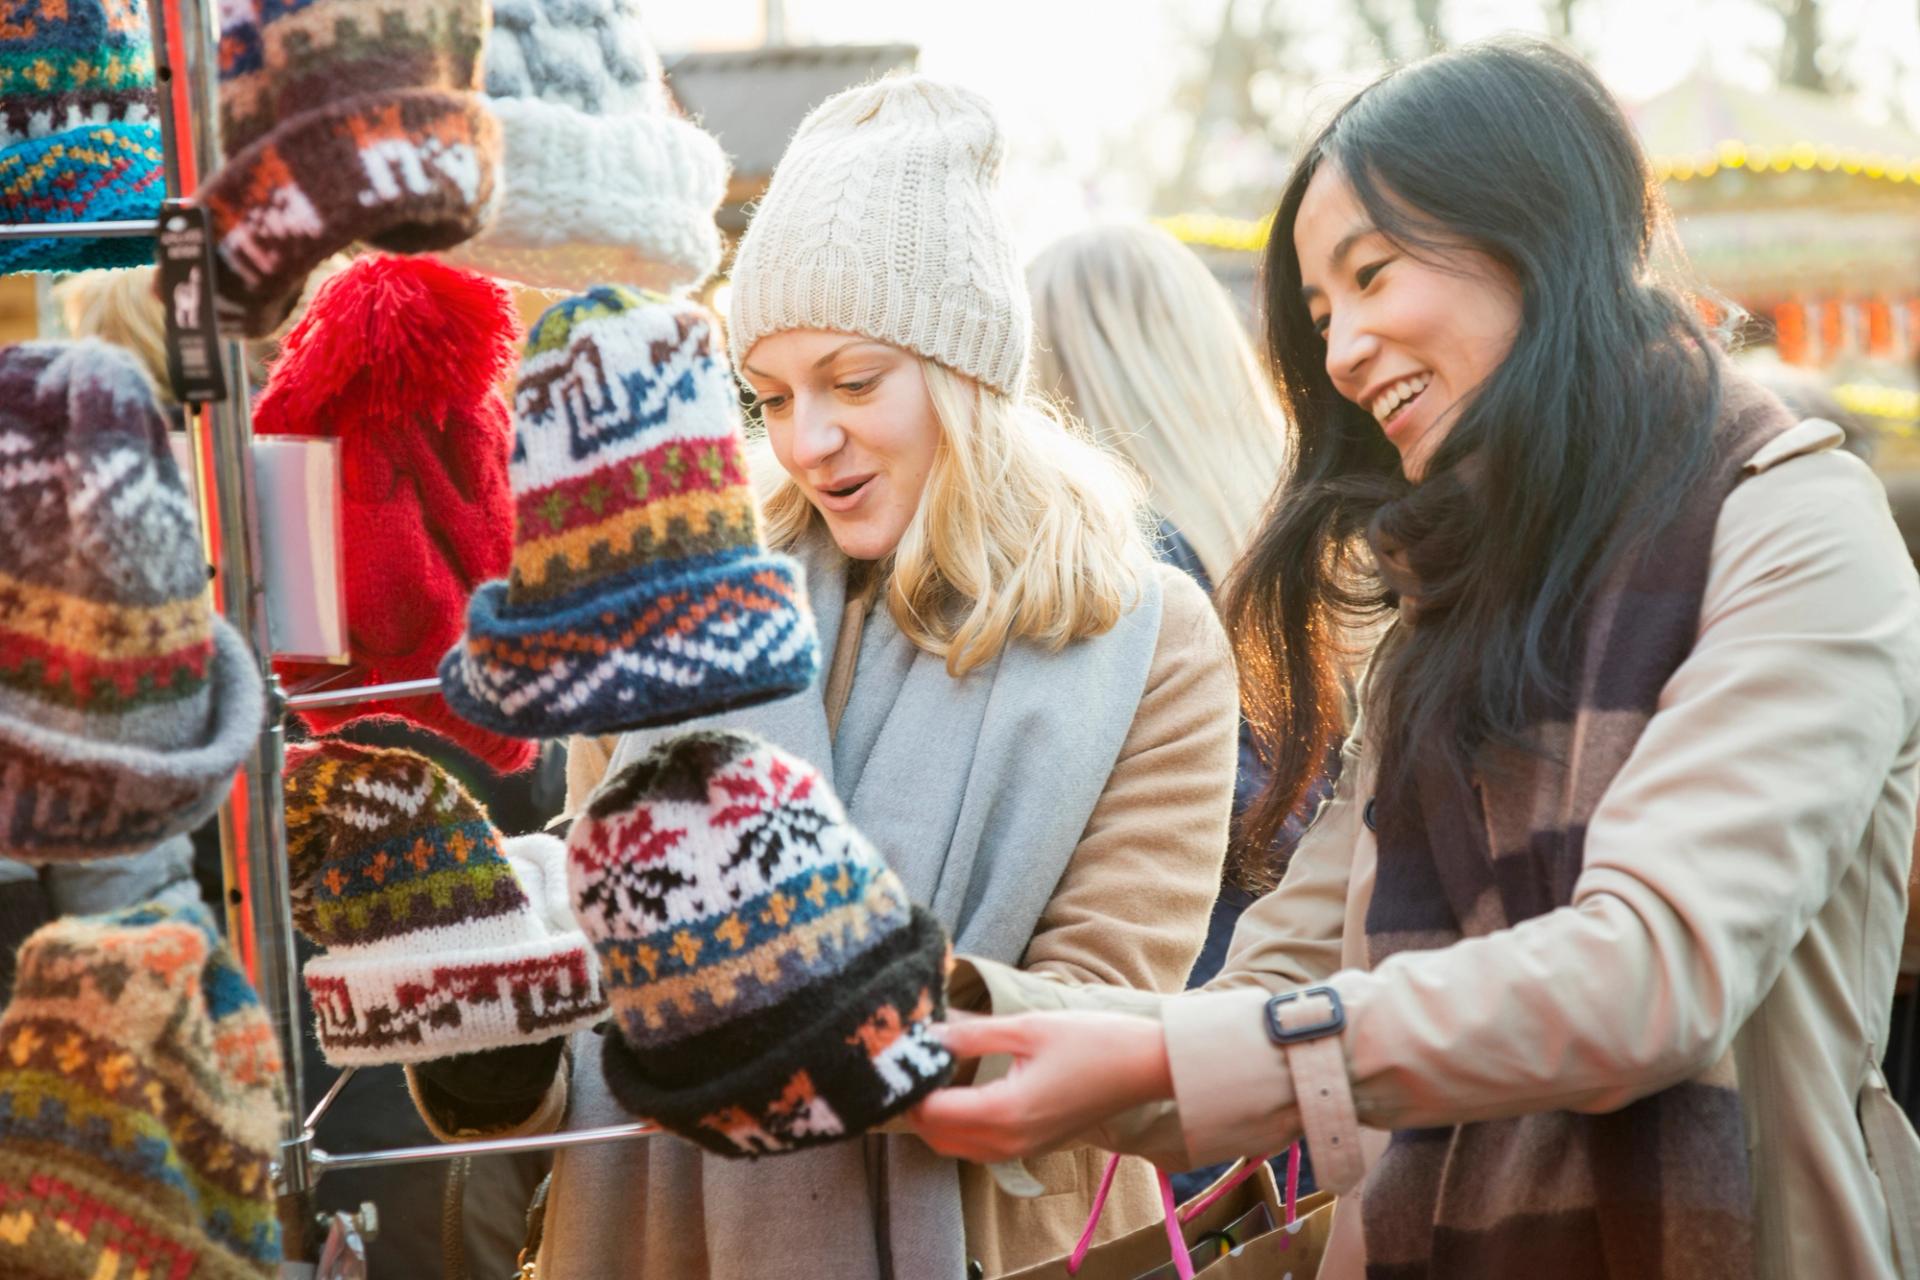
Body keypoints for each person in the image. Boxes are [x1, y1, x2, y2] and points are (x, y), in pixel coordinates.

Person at [911, 38, 1920, 1280]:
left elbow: (1650, 975)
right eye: (1322, 314)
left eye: (1372, 274)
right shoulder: (1446, 610)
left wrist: (1175, 1059)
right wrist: (940, 1018)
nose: (1337, 351)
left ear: (1533, 236)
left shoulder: (1794, 524)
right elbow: (1272, 983)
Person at [405, 74, 1240, 1280]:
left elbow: (1106, 1021)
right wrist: (495, 1025)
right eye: (774, 394)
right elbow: (610, 1005)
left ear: (967, 370)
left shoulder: (1145, 636)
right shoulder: (683, 605)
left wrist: (802, 976)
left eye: (854, 383)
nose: (807, 439)